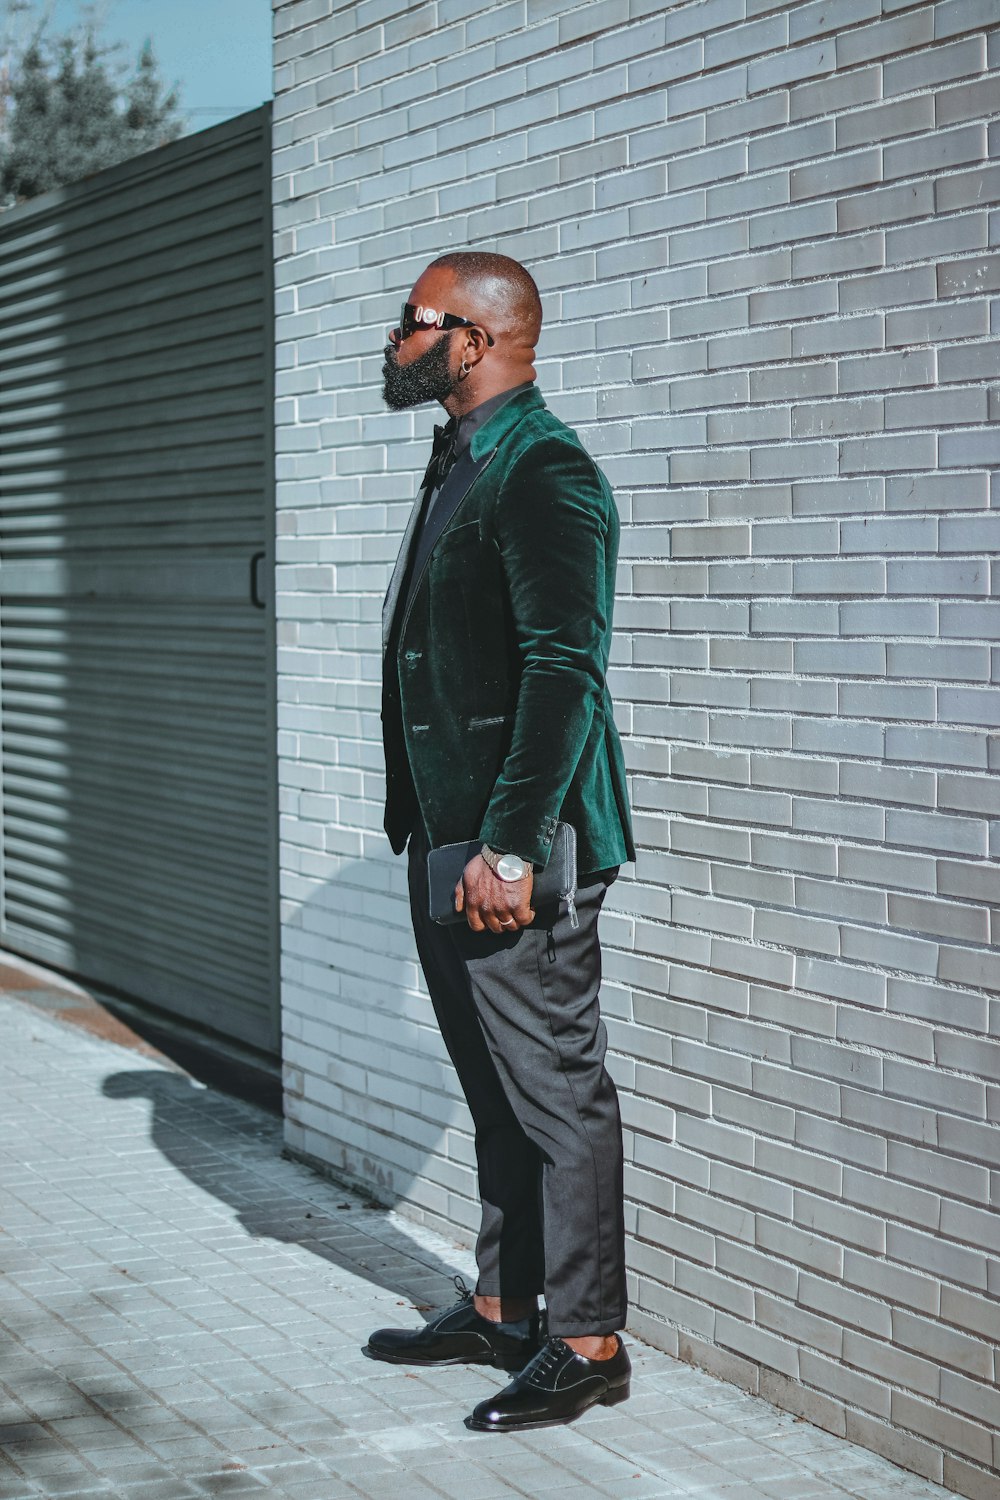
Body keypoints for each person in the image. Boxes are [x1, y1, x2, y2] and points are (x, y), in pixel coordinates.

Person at [364, 250, 635, 1433]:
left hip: (516, 843)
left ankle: (586, 1338)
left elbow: (563, 667)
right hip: (447, 833)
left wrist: (514, 847)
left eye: (412, 321)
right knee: (493, 1088)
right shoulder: (462, 458)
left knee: (555, 1091)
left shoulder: (545, 468)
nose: (393, 338)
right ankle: (502, 1303)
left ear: (472, 341)